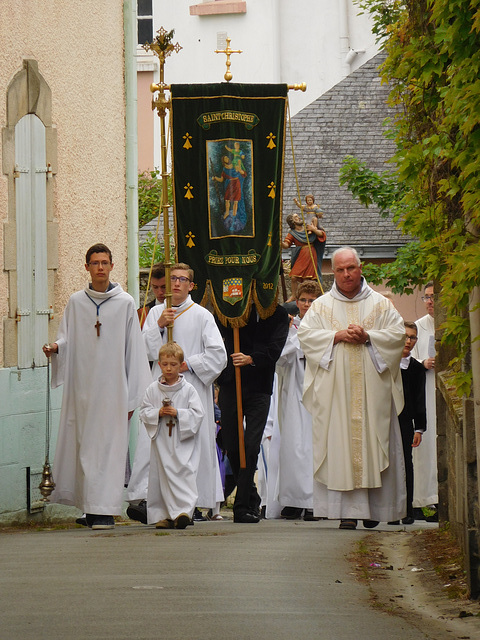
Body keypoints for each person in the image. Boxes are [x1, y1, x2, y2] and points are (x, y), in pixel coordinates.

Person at [42, 243, 152, 530]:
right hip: (83, 390)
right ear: (87, 267)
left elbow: (134, 350)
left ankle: (104, 511)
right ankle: (90, 509)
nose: (100, 267)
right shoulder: (76, 302)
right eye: (95, 262)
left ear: (112, 266)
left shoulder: (126, 302)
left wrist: (132, 396)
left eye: (105, 262)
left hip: (114, 390)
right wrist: (55, 347)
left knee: (110, 449)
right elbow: (67, 339)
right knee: (85, 449)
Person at [297, 246, 406, 530]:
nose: (346, 274)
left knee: (375, 441)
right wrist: (336, 335)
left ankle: (375, 510)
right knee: (339, 444)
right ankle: (344, 511)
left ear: (361, 268)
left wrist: (369, 336)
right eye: (340, 270)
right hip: (336, 394)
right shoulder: (320, 306)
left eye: (351, 268)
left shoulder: (381, 304)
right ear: (333, 272)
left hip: (373, 391)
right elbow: (306, 337)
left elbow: (397, 336)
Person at [127, 263, 227, 523]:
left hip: (190, 387)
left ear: (191, 285)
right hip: (160, 388)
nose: (176, 284)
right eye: (172, 279)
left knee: (188, 448)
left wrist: (188, 364)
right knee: (157, 445)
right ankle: (151, 500)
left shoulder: (202, 315)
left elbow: (218, 354)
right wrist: (158, 327)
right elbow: (143, 351)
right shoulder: (157, 313)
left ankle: (193, 503)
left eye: (182, 279)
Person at [216, 304, 289, 523]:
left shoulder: (278, 314)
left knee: (251, 444)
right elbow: (219, 336)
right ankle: (251, 495)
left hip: (259, 386)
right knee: (231, 443)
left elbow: (275, 349)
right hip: (232, 384)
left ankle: (242, 506)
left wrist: (251, 358)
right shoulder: (230, 309)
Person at [140, 342, 204, 529]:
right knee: (161, 476)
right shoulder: (153, 389)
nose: (169, 368)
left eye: (173, 364)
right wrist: (157, 413)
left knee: (183, 472)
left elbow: (198, 414)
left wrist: (179, 414)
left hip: (181, 442)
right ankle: (164, 515)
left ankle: (183, 512)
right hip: (161, 442)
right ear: (159, 364)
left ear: (181, 365)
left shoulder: (188, 390)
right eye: (165, 364)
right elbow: (144, 411)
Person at [276, 281, 322, 521]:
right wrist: (296, 337)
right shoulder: (289, 327)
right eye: (303, 300)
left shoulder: (325, 327)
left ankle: (316, 502)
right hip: (294, 389)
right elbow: (279, 358)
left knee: (315, 446)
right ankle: (293, 500)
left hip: (319, 392)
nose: (307, 305)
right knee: (294, 445)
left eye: (312, 300)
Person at [388, 322, 426, 525]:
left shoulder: (417, 368)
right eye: (405, 336)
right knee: (387, 463)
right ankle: (389, 509)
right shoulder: (387, 363)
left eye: (412, 338)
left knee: (405, 463)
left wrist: (419, 427)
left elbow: (420, 400)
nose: (408, 341)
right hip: (386, 418)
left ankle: (406, 508)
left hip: (405, 421)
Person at [411, 281, 438, 517]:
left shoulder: (449, 325)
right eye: (426, 297)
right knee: (424, 447)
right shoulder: (418, 327)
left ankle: (438, 498)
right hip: (425, 390)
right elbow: (407, 359)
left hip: (442, 388)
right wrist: (423, 363)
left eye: (433, 296)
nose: (429, 301)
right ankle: (421, 499)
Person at [282, 212, 325, 301]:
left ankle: (308, 297)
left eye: (298, 216)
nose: (299, 218)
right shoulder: (292, 233)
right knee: (294, 277)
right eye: (296, 217)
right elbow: (286, 245)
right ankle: (294, 295)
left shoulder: (307, 228)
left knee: (307, 278)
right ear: (292, 222)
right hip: (301, 255)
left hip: (310, 253)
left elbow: (322, 235)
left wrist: (314, 229)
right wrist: (279, 241)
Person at [138, 263, 166, 329]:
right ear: (150, 284)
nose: (160, 292)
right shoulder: (142, 313)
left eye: (164, 287)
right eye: (155, 287)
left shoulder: (180, 309)